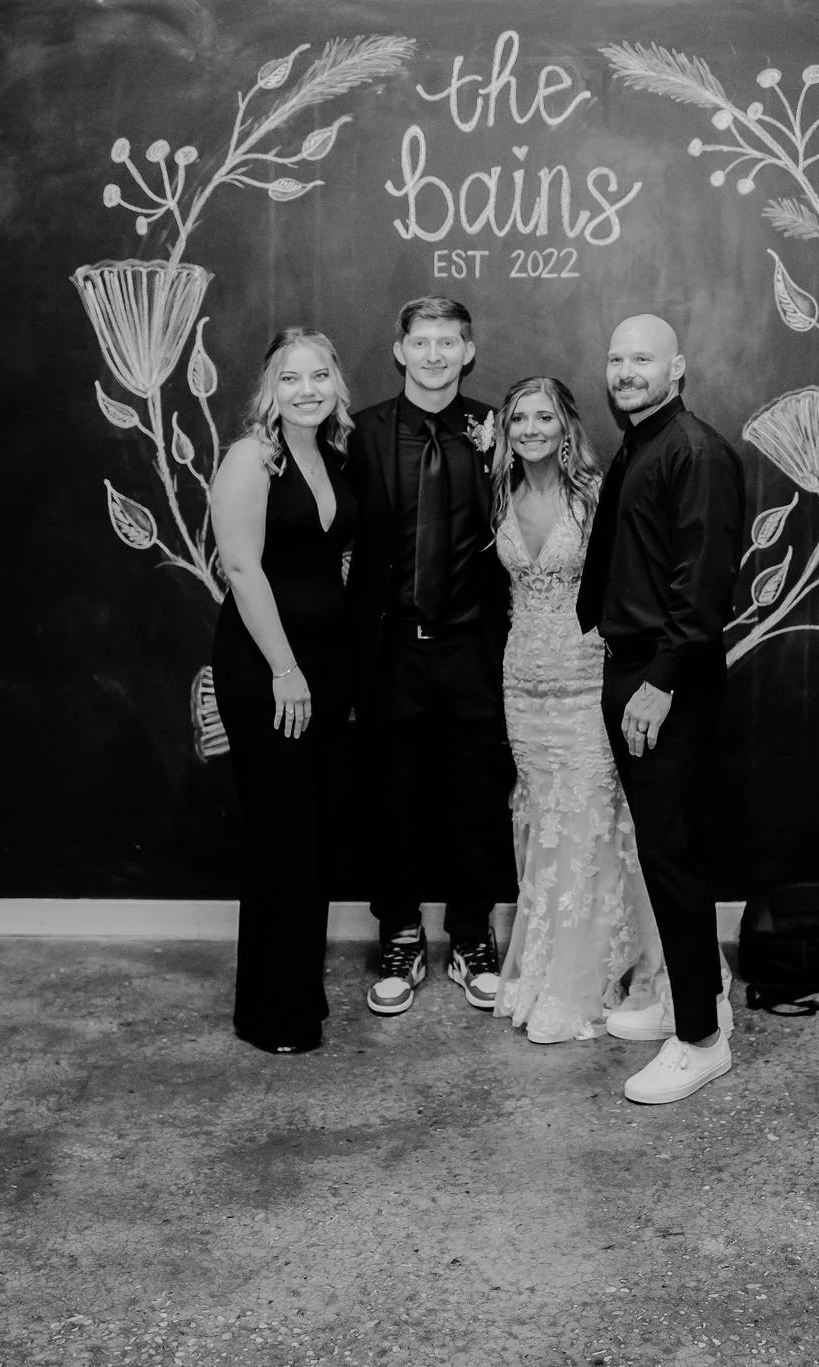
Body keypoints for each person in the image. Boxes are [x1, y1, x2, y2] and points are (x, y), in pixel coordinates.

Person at [577, 313, 745, 1104]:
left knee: (671, 853)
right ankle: (695, 999)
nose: (625, 370)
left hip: (662, 676)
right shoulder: (642, 442)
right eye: (616, 358)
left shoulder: (696, 452)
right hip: (635, 667)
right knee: (661, 846)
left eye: (642, 357)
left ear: (678, 368)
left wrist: (661, 681)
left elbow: (702, 585)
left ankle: (702, 1042)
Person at [346, 296, 515, 1017]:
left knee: (478, 796)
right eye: (423, 340)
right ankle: (401, 934)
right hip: (392, 648)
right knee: (393, 798)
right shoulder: (360, 434)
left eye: (450, 341)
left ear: (468, 352)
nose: (436, 353)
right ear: (400, 349)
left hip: (473, 646)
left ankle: (473, 937)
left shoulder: (497, 430)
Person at [487, 376, 668, 1044]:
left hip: (587, 681)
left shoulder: (595, 496)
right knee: (542, 817)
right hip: (522, 687)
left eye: (543, 417)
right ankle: (545, 964)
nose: (531, 429)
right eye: (519, 418)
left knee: (592, 820)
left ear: (566, 427)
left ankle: (589, 976)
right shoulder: (499, 492)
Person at [210, 328, 359, 1054]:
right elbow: (241, 566)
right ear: (270, 387)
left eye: (319, 375)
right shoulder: (252, 457)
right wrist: (285, 668)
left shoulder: (329, 453)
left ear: (337, 383)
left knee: (313, 836)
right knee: (281, 836)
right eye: (291, 377)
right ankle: (270, 1011)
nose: (307, 389)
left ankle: (297, 987)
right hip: (269, 669)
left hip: (321, 670)